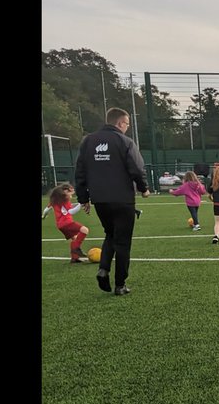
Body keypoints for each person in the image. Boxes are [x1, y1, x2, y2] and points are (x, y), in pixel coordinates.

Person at [75, 107, 150, 295]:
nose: (127, 128)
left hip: (100, 199)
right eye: (127, 124)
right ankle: (120, 284)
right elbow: (136, 167)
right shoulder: (124, 141)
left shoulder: (88, 141)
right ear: (119, 123)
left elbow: (80, 172)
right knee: (123, 242)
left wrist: (83, 198)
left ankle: (103, 269)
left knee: (110, 234)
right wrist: (144, 188)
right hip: (122, 199)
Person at [42, 183, 90, 263]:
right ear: (64, 191)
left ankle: (74, 258)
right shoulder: (65, 200)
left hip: (60, 225)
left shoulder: (55, 201)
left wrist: (43, 216)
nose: (72, 194)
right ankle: (76, 250)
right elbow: (71, 212)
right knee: (85, 230)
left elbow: (46, 210)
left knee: (74, 238)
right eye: (70, 192)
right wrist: (81, 205)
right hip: (67, 223)